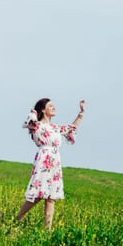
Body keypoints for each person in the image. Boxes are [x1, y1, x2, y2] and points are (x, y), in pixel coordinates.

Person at [17, 98, 85, 229]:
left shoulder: (55, 128)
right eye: (50, 106)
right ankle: (17, 219)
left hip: (55, 161)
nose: (54, 108)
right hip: (44, 159)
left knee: (51, 197)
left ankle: (47, 230)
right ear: (43, 110)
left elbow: (71, 128)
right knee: (37, 195)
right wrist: (33, 114)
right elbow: (27, 122)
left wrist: (81, 113)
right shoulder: (36, 124)